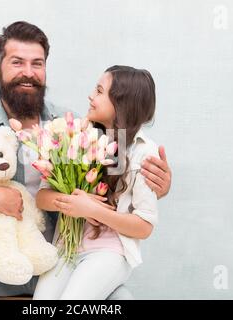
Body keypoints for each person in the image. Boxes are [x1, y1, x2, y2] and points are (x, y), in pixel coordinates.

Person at [0, 21, 172, 300]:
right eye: (17, 62)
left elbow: (120, 177)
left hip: (63, 253)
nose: (29, 73)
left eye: (38, 63)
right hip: (6, 258)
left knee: (122, 300)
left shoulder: (72, 127)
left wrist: (156, 184)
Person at [33, 65, 160, 299]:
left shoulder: (144, 152)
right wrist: (72, 203)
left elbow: (144, 226)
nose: (91, 96)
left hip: (109, 252)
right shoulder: (74, 137)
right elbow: (42, 198)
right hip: (65, 249)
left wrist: (94, 211)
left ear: (121, 104)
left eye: (100, 91)